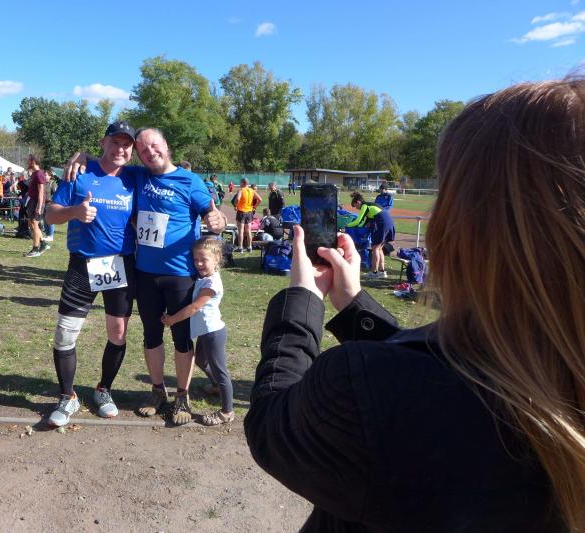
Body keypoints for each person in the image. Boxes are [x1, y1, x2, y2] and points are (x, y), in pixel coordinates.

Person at [245, 78, 585, 531]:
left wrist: (302, 299)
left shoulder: (366, 386)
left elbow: (272, 428)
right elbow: (441, 370)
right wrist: (353, 304)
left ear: (468, 227)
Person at [63, 127, 227, 425]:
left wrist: (218, 219)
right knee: (151, 335)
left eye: (154, 145)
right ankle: (157, 391)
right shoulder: (137, 175)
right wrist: (81, 155)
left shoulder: (190, 181)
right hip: (146, 273)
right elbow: (107, 161)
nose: (150, 152)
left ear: (166, 145)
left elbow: (213, 214)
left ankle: (182, 396)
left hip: (180, 274)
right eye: (143, 149)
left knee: (181, 338)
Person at [44, 120, 139, 427]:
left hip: (119, 265)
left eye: (127, 144)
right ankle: (67, 396)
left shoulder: (135, 177)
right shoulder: (80, 173)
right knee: (65, 332)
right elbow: (49, 214)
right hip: (82, 264)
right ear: (103, 143)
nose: (120, 149)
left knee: (118, 333)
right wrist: (74, 212)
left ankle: (103, 390)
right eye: (115, 142)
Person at [161, 236, 233, 425]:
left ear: (217, 259)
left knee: (220, 370)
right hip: (205, 332)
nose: (199, 264)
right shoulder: (204, 278)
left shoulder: (212, 283)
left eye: (204, 259)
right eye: (196, 259)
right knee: (201, 360)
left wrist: (172, 320)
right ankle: (216, 386)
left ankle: (227, 411)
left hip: (213, 333)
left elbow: (194, 308)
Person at [347, 191, 395, 278]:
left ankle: (374, 272)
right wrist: (358, 226)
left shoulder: (364, 206)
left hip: (382, 223)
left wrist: (347, 225)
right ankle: (382, 272)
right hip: (389, 223)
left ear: (358, 202)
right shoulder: (370, 206)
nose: (356, 208)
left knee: (375, 248)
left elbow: (358, 220)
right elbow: (363, 223)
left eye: (355, 206)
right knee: (379, 248)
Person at [24, 155, 48, 257]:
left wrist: (39, 206)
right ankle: (43, 243)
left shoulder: (39, 174)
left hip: (37, 202)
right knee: (31, 223)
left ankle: (36, 249)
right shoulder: (34, 174)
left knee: (34, 224)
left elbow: (41, 192)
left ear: (33, 161)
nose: (27, 162)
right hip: (32, 201)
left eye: (28, 161)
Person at [231, 178, 260, 253]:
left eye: (240, 182)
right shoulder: (252, 190)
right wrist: (254, 207)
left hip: (241, 212)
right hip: (249, 212)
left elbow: (238, 199)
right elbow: (260, 199)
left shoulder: (241, 190)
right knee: (248, 231)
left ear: (243, 183)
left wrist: (235, 205)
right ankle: (249, 247)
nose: (240, 184)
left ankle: (240, 247)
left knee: (241, 231)